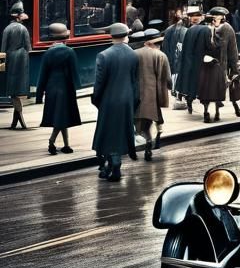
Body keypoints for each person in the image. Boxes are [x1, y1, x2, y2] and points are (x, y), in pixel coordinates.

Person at [92, 23, 140, 182]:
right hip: (127, 100)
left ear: (111, 36)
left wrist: (96, 99)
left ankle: (113, 164)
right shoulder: (133, 55)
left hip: (109, 100)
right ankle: (114, 164)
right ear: (126, 35)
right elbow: (135, 81)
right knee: (120, 132)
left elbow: (99, 83)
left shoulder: (104, 55)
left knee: (108, 133)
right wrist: (134, 100)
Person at [35, 23, 81, 155]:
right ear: (65, 38)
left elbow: (42, 75)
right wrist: (76, 88)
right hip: (66, 88)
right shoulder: (70, 52)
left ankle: (67, 145)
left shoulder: (48, 53)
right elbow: (74, 73)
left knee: (60, 117)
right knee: (62, 117)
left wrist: (39, 95)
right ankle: (51, 142)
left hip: (51, 88)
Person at [135, 28, 172, 159]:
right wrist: (170, 87)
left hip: (138, 96)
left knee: (142, 123)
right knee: (155, 117)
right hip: (155, 95)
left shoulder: (135, 54)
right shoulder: (161, 55)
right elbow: (168, 78)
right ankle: (156, 136)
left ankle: (147, 141)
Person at [2, 2, 31, 130]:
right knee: (19, 89)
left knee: (12, 88)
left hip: (11, 58)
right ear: (19, 17)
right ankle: (19, 116)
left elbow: (3, 49)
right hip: (23, 59)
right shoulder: (24, 29)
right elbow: (28, 47)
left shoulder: (6, 29)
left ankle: (17, 117)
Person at [177, 8, 208, 114]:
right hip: (201, 63)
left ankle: (189, 104)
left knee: (191, 86)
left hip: (189, 63)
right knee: (203, 87)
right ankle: (205, 109)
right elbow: (207, 46)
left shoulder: (188, 30)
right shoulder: (205, 29)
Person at [162, 9, 187, 88]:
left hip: (171, 55)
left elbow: (165, 46)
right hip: (177, 55)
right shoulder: (185, 30)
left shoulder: (168, 29)